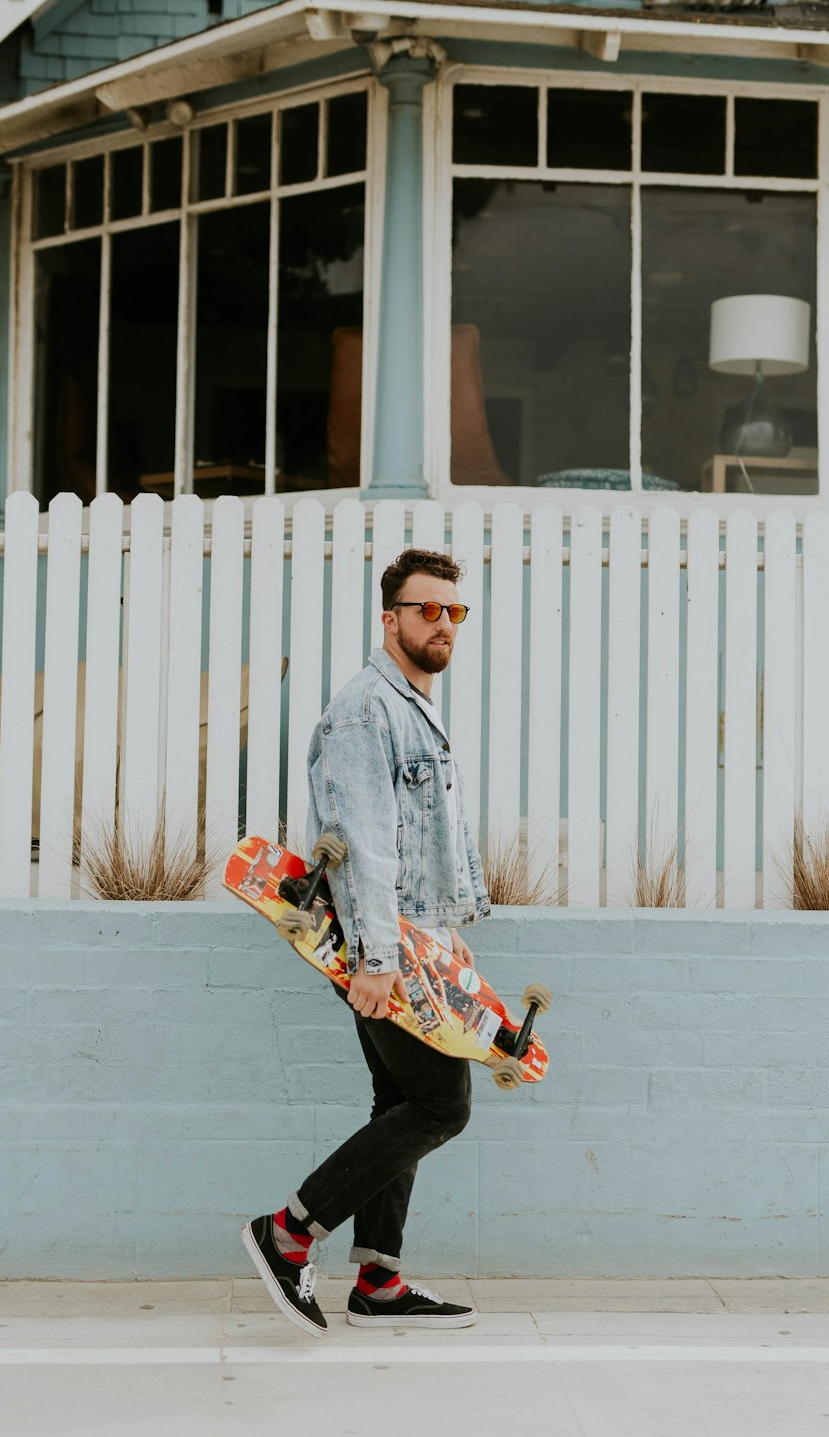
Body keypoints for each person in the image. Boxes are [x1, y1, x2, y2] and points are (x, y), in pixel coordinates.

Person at [241, 548, 490, 1336]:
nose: (442, 623)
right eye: (427, 609)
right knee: (439, 1105)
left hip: (413, 946)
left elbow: (421, 848)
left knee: (398, 1100)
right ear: (390, 619)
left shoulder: (413, 706)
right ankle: (288, 1234)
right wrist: (380, 963)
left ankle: (378, 1280)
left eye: (454, 611)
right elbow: (364, 847)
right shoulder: (364, 712)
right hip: (378, 952)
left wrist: (446, 940)